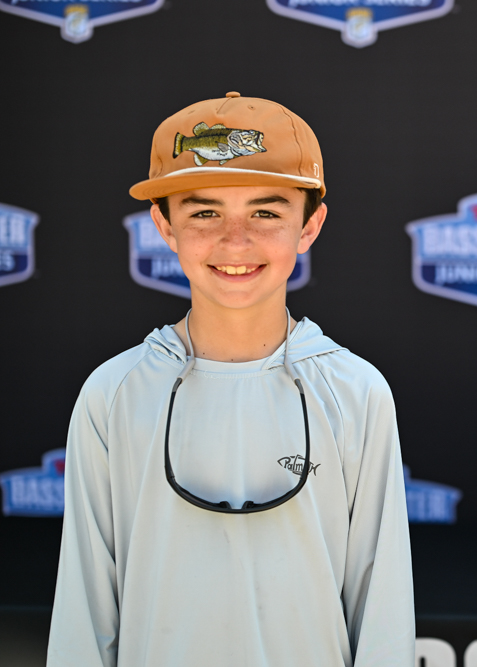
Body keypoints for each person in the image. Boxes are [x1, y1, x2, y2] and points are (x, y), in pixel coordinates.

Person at [47, 92, 414, 667]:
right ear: (164, 225)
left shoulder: (355, 392)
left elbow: (382, 607)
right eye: (204, 212)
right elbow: (84, 610)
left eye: (266, 213)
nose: (235, 240)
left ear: (309, 225)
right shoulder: (114, 392)